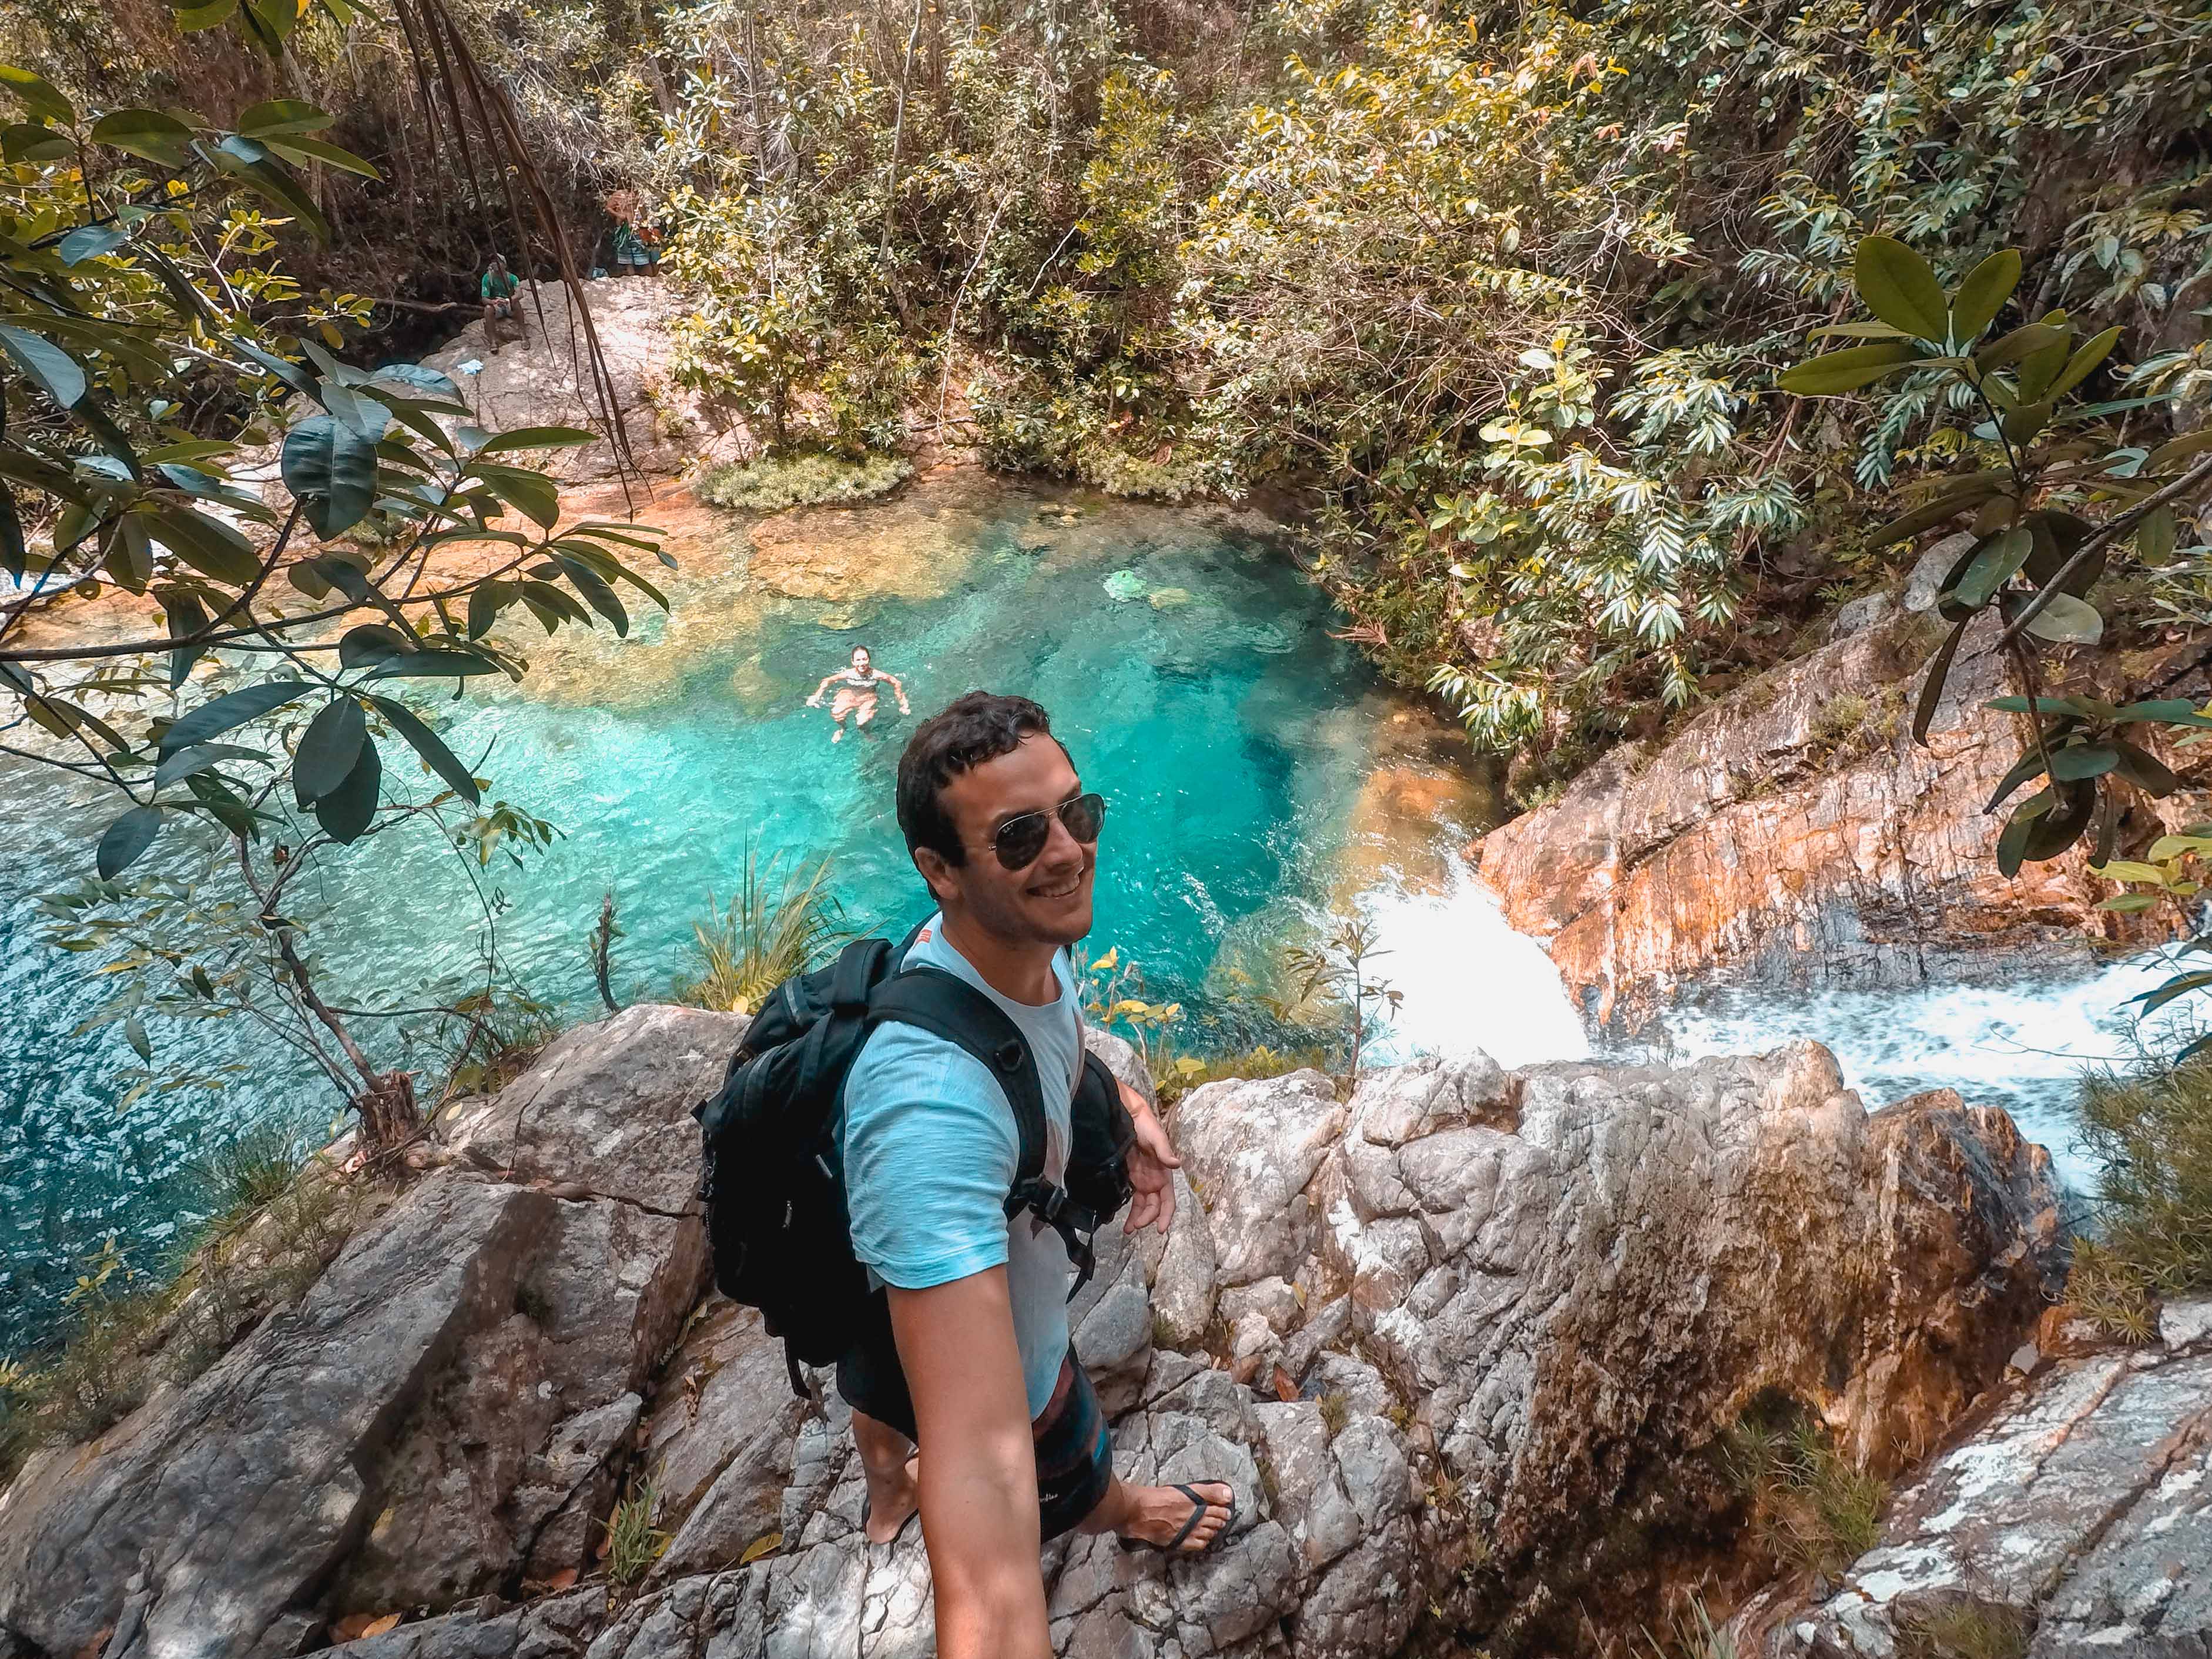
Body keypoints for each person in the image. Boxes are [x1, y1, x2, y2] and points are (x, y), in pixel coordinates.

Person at [835, 691, 1237, 1659]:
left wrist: (1124, 1106)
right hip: (997, 1336)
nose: (1066, 850)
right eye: (1018, 837)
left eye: (1076, 813)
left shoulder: (996, 949)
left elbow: (1040, 1036)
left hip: (895, 1289)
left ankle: (885, 1482)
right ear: (940, 870)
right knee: (1061, 1451)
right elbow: (980, 1463)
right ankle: (1125, 1507)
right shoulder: (926, 1113)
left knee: (880, 1385)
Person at [805, 645, 909, 743]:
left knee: (862, 721)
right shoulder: (849, 673)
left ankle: (866, 732)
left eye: (865, 659)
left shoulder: (876, 674)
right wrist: (817, 695)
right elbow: (828, 681)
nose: (862, 663)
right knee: (836, 714)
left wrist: (903, 703)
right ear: (853, 662)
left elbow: (896, 682)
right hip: (850, 695)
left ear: (869, 660)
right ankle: (842, 728)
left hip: (868, 697)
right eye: (858, 660)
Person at [480, 255, 525, 353]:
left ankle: (523, 335)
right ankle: (493, 341)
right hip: (497, 306)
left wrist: (508, 300)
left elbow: (519, 294)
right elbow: (484, 298)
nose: (495, 263)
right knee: (488, 309)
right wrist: (493, 302)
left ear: (504, 264)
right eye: (493, 261)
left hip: (509, 303)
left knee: (517, 304)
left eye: (498, 261)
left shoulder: (512, 278)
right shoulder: (487, 278)